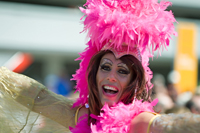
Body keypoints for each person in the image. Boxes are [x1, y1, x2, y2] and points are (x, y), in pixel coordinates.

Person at [1, 0, 200, 133]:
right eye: (106, 67)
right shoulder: (81, 116)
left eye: (122, 71)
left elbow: (175, 125)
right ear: (94, 73)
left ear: (134, 81)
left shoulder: (139, 122)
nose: (111, 76)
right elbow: (38, 98)